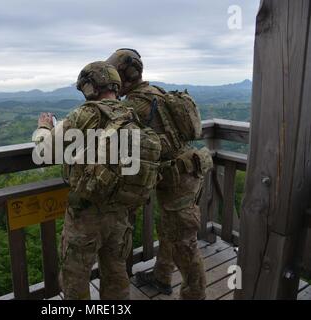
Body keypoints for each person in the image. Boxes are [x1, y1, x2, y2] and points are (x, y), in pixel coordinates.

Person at [33, 61, 161, 299]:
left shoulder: (85, 113)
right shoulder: (130, 113)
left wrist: (43, 128)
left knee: (75, 277)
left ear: (91, 86)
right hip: (121, 211)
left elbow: (44, 152)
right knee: (116, 271)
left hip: (86, 213)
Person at [107, 49, 212, 300]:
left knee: (185, 246)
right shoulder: (158, 93)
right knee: (170, 231)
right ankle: (162, 276)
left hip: (177, 178)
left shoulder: (133, 105)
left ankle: (194, 295)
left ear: (123, 75)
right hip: (188, 171)